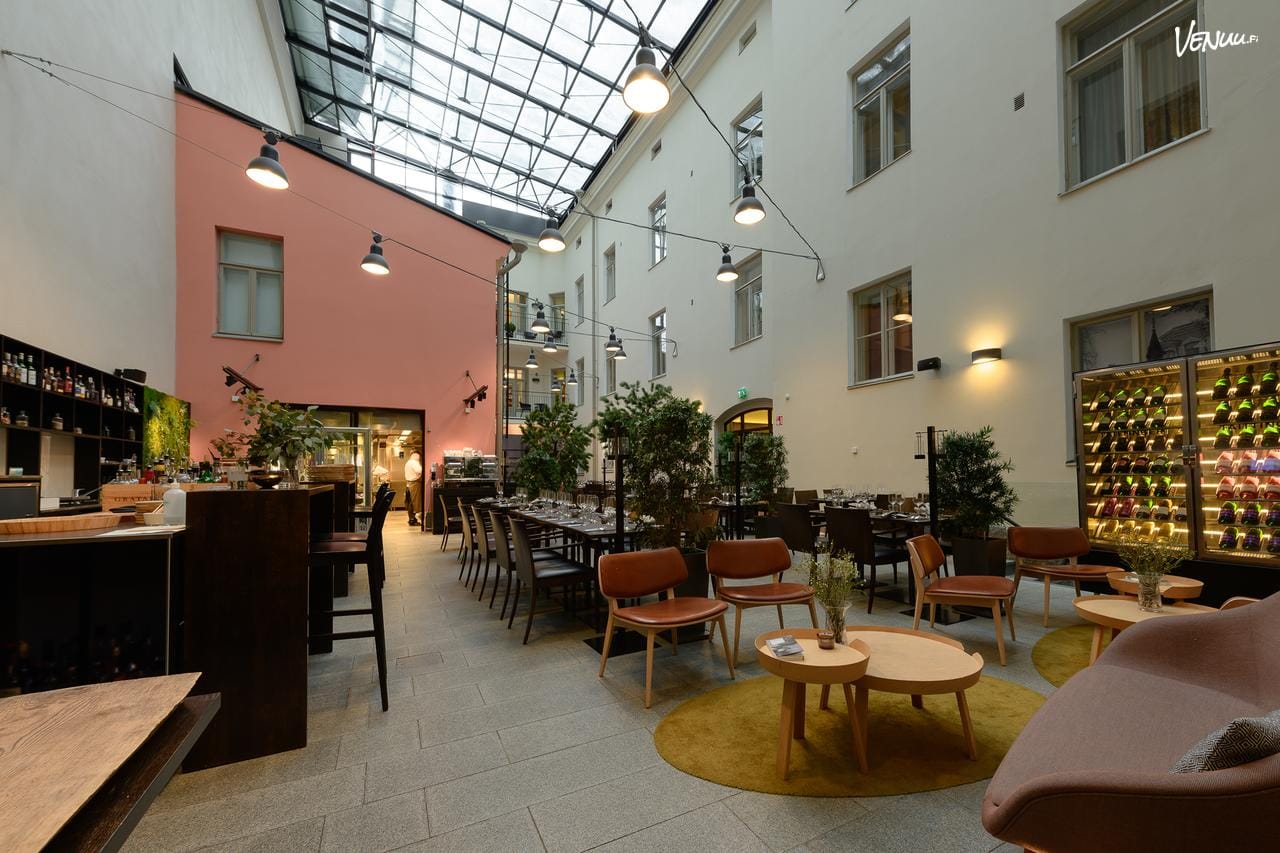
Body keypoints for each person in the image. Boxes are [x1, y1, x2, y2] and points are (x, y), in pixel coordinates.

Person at [404, 451, 423, 526]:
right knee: (414, 502)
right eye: (419, 457)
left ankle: (411, 519)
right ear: (416, 456)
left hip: (409, 484)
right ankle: (412, 519)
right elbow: (419, 471)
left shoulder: (408, 463)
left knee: (410, 502)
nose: (419, 459)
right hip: (414, 483)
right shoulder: (414, 463)